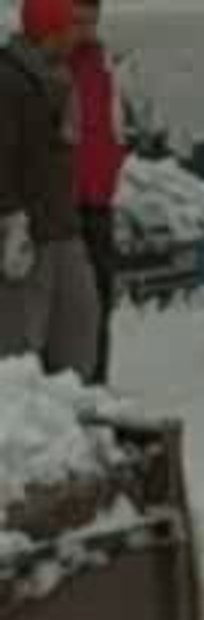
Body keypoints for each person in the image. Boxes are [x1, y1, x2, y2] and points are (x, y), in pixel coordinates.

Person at [0, 0, 100, 382]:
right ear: (50, 32)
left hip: (63, 228)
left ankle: (72, 419)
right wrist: (10, 221)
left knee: (78, 329)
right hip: (27, 233)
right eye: (70, 27)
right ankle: (15, 428)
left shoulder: (59, 76)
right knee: (17, 346)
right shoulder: (8, 80)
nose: (77, 35)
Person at [69, 0, 126, 385]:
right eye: (79, 20)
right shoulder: (54, 67)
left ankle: (97, 380)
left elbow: (113, 127)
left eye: (93, 20)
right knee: (72, 307)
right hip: (64, 204)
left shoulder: (103, 66)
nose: (87, 28)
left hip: (99, 200)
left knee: (101, 298)